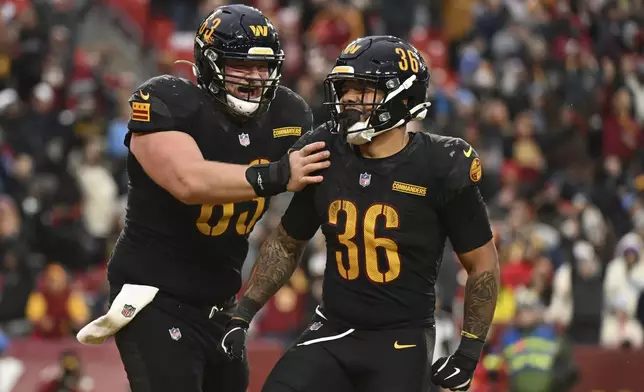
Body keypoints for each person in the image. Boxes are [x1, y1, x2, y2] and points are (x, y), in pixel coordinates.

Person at [219, 35, 500, 392]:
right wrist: (243, 313)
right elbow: (288, 243)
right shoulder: (325, 150)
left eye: (363, 88)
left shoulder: (440, 166)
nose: (349, 98)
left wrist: (469, 351)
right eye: (346, 87)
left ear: (403, 96)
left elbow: (482, 264)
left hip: (400, 339)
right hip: (332, 328)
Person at [78, 5, 329, 392]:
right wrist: (279, 174)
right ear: (210, 64)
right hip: (154, 295)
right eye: (242, 65)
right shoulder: (170, 101)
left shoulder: (288, 114)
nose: (256, 77)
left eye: (264, 67)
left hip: (221, 303)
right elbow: (188, 181)